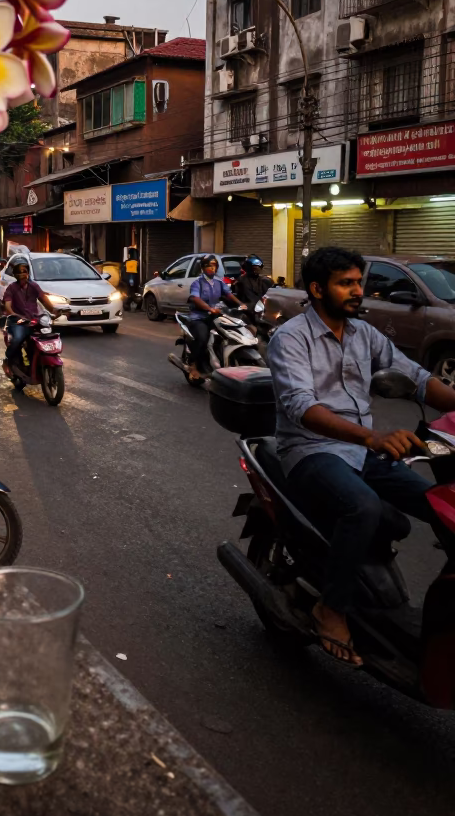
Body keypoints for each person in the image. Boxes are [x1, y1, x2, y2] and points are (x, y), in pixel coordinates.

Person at [267, 246, 455, 667]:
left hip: (362, 449)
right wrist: (372, 438)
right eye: (346, 283)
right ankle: (330, 609)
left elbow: (418, 379)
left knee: (440, 503)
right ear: (317, 289)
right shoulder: (291, 338)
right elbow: (302, 407)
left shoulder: (363, 334)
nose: (358, 291)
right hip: (310, 450)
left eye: (359, 282)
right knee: (363, 507)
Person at [186, 255, 244, 379]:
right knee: (202, 338)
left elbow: (228, 294)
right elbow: (195, 298)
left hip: (216, 315)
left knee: (232, 332)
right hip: (199, 317)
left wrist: (241, 304)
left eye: (214, 266)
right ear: (202, 268)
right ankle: (193, 364)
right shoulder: (197, 283)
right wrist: (208, 308)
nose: (212, 268)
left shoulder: (219, 282)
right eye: (208, 266)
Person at [2, 260, 57, 375]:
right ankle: (7, 360)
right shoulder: (11, 288)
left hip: (34, 320)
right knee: (17, 339)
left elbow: (44, 300)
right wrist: (13, 313)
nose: (22, 275)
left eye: (25, 272)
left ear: (28, 274)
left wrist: (54, 311)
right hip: (18, 321)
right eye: (20, 273)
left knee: (46, 338)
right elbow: (7, 304)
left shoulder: (34, 286)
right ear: (16, 275)